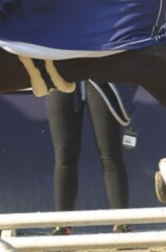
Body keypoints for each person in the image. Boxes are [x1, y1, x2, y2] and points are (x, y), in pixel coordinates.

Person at [47, 82, 134, 235]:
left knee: (109, 154)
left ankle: (122, 223)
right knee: (64, 156)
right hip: (61, 72)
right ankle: (63, 225)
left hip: (99, 73)